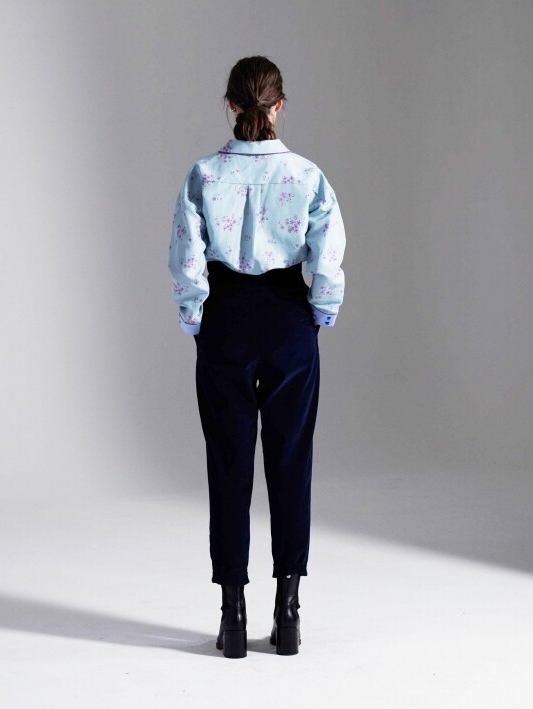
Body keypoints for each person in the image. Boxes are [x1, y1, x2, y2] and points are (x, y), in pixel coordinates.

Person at [168, 55, 346, 658]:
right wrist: (319, 313)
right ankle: (288, 613)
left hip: (226, 320)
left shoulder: (203, 174)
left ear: (230, 104)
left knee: (228, 462)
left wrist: (195, 317)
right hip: (288, 318)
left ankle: (233, 615)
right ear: (279, 106)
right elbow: (328, 256)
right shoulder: (306, 175)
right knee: (291, 460)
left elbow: (186, 258)